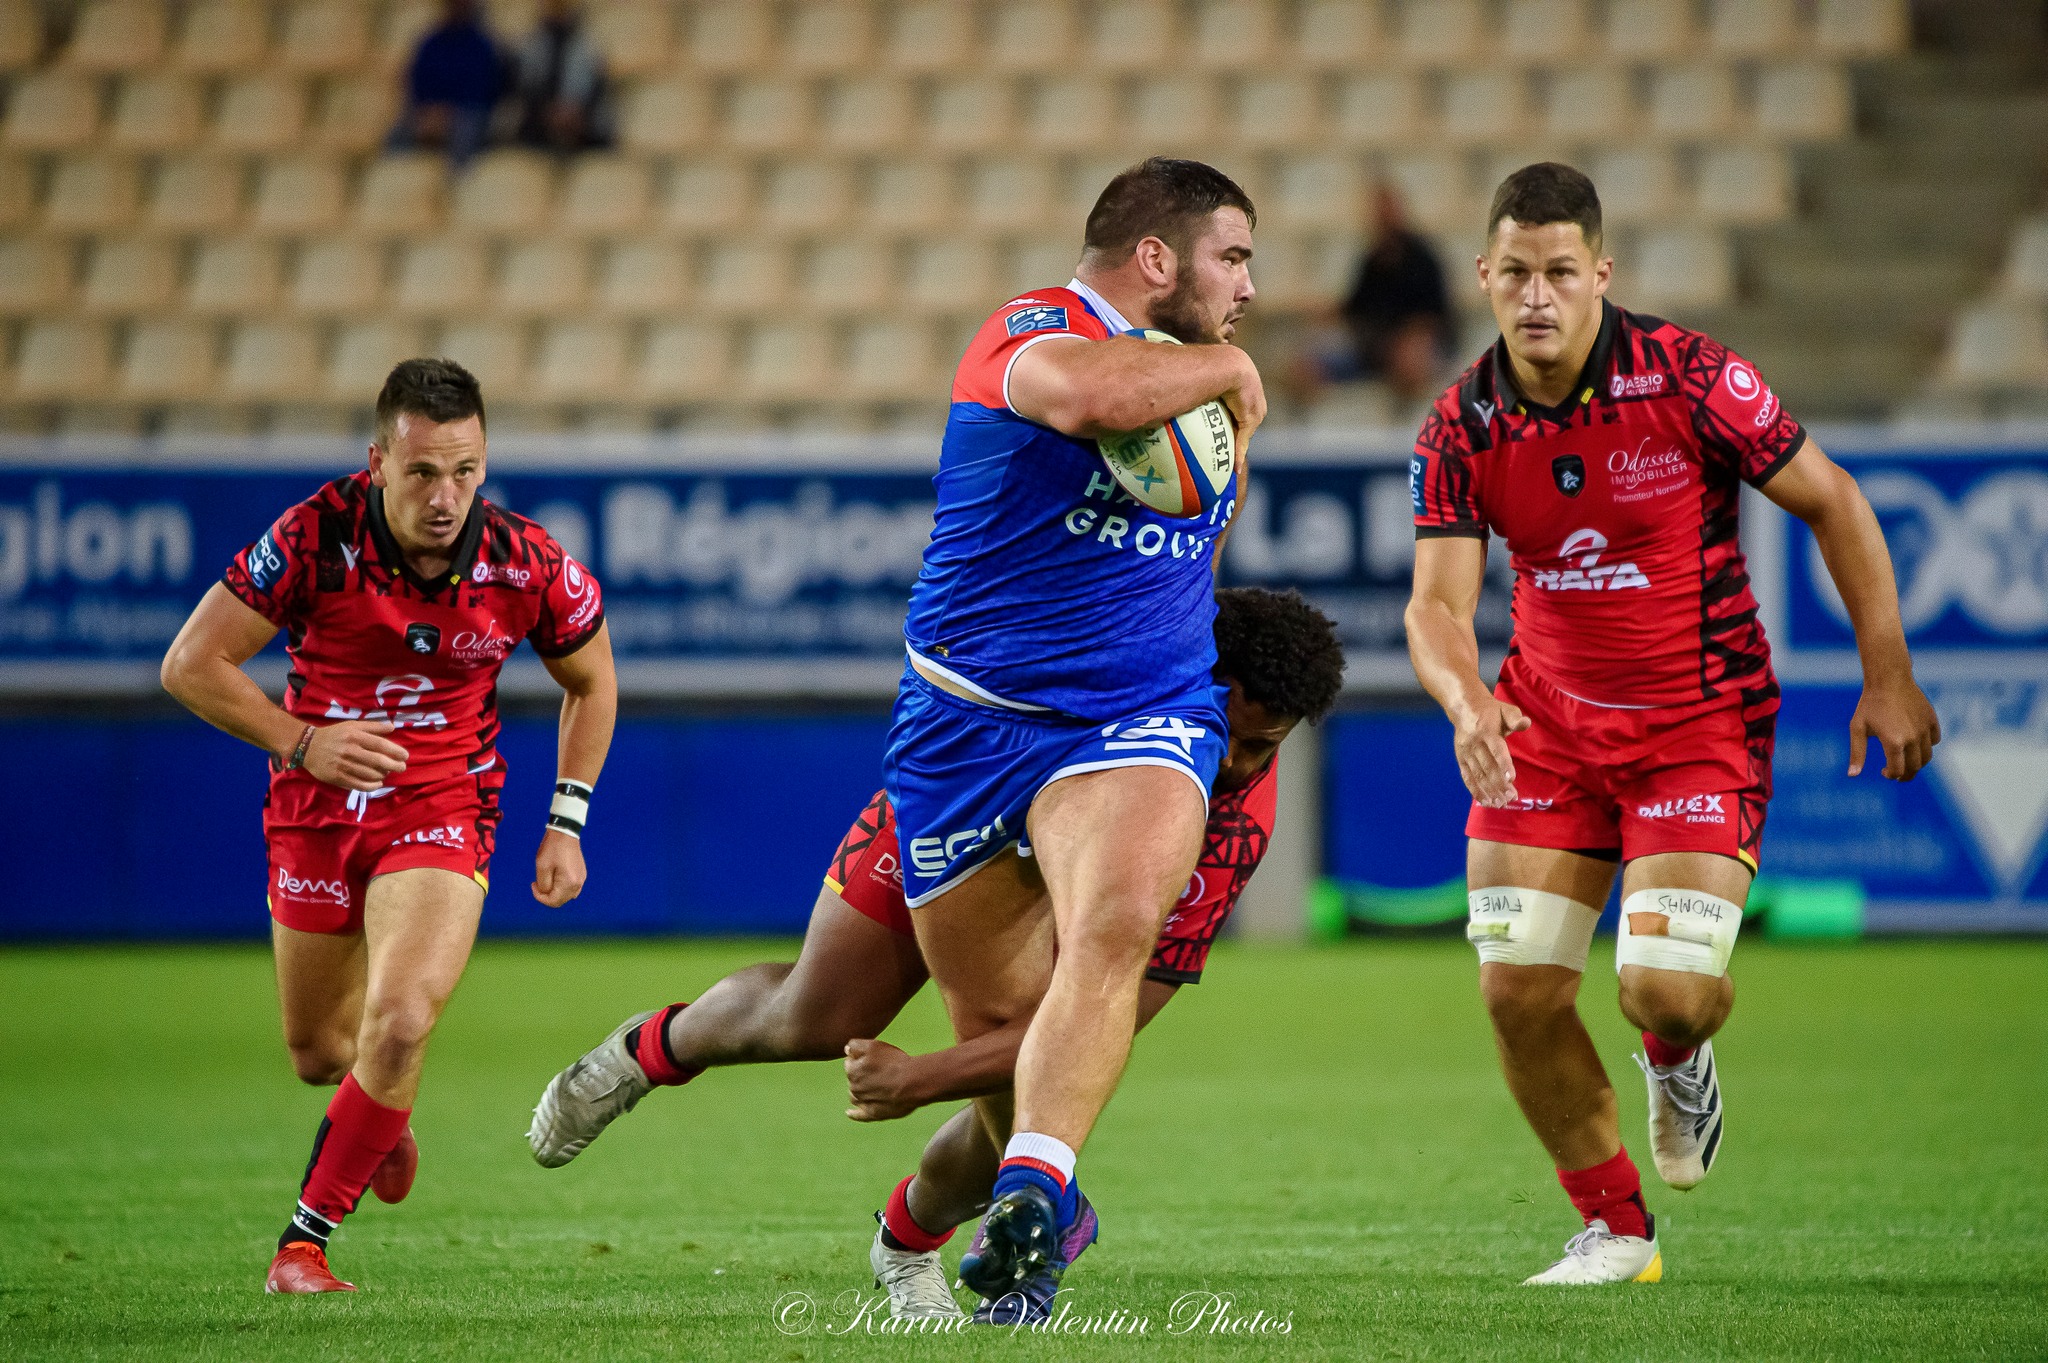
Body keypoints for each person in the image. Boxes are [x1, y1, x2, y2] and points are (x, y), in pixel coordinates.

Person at [1403, 163, 1940, 1286]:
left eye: (1558, 272)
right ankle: (1614, 1229)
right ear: (1482, 279)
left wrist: (1884, 673)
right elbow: (1436, 605)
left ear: (1599, 273)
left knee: (1665, 987)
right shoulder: (1458, 422)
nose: (1535, 295)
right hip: (1542, 729)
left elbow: (1832, 501)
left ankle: (1674, 1054)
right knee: (1515, 987)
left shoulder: (1691, 379)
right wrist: (1465, 700)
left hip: (1697, 724)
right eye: (1515, 273)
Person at [525, 588, 1345, 1322]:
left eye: (1263, 748)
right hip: (970, 792)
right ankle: (649, 1049)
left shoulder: (1225, 828)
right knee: (819, 1016)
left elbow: (1109, 1013)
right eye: (1230, 733)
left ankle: (910, 1241)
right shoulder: (1117, 654)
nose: (1234, 763)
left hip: (1067, 875)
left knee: (1035, 1079)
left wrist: (921, 1078)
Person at [888, 157, 1266, 1299]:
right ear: (1155, 259)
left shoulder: (1198, 375)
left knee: (1110, 928)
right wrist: (1228, 366)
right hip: (966, 727)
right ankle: (1010, 1194)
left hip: (1138, 713)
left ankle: (1036, 1204)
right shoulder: (1026, 330)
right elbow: (1084, 401)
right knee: (995, 1024)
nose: (1246, 287)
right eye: (1231, 256)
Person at [160, 359, 615, 1294]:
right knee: (322, 1052)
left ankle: (303, 1242)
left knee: (401, 1021)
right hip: (316, 808)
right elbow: (189, 663)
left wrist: (565, 820)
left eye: (465, 471)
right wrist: (300, 741)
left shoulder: (527, 562)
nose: (446, 496)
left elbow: (591, 681)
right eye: (422, 473)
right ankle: (383, 1117)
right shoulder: (312, 537)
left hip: (443, 805)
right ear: (377, 461)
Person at [1291, 185, 1452, 404]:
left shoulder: (1423, 259)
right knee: (1308, 367)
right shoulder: (1372, 260)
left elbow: (1434, 317)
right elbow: (1354, 308)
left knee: (1411, 359)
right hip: (1370, 350)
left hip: (1411, 349)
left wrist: (1408, 341)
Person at [388, 0, 505, 168]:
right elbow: (418, 80)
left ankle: (457, 184)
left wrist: (448, 113)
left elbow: (483, 88)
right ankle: (396, 178)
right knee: (397, 133)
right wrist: (428, 111)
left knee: (466, 132)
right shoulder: (431, 42)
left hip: (466, 111)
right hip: (429, 109)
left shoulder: (482, 45)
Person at [512, 0, 614, 152]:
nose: (558, 9)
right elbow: (526, 86)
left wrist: (573, 112)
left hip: (581, 124)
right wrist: (549, 111)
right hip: (540, 122)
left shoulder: (588, 45)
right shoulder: (532, 44)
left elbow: (595, 89)